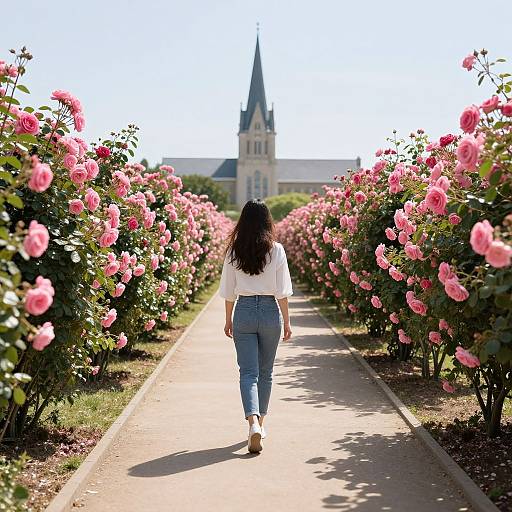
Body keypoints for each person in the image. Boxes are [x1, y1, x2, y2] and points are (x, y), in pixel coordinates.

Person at [219, 199, 293, 454]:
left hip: (244, 310)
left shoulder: (233, 250)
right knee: (266, 372)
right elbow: (282, 291)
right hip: (271, 311)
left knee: (248, 372)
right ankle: (261, 422)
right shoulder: (277, 250)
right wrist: (287, 321)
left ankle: (252, 423)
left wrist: (228, 319)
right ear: (267, 221)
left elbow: (229, 291)